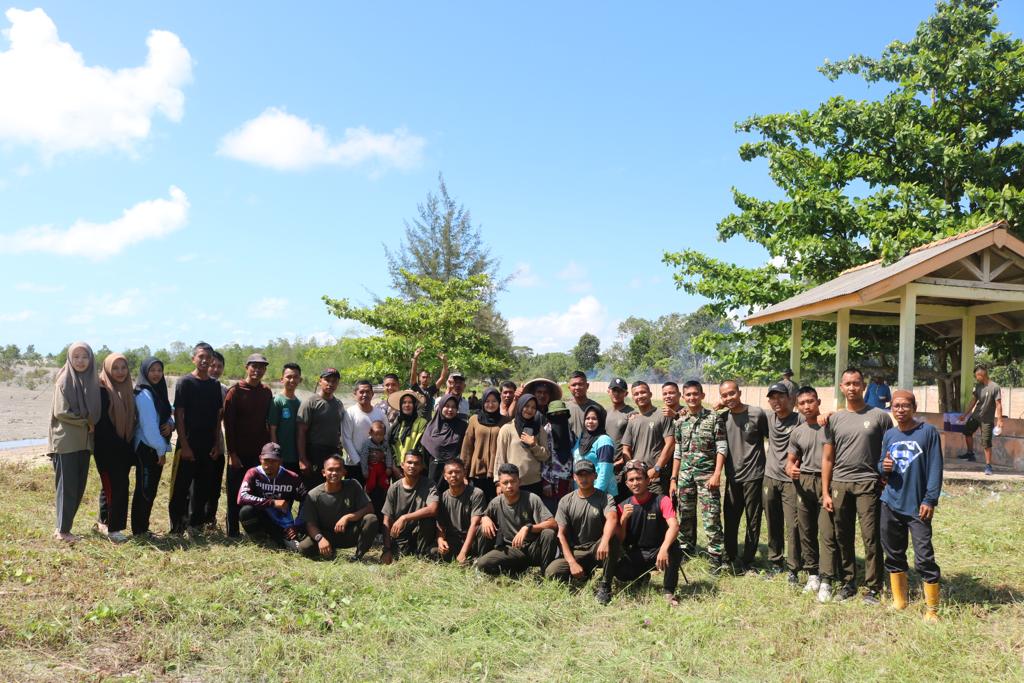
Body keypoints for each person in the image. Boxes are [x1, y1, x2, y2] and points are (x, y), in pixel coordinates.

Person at [822, 367, 893, 604]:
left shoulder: (880, 417)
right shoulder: (835, 419)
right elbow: (828, 458)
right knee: (843, 536)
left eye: (856, 383)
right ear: (841, 388)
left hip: (868, 484)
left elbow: (891, 450)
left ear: (864, 386)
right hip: (840, 484)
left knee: (870, 536)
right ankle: (848, 582)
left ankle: (873, 587)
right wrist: (825, 491)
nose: (852, 387)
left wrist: (885, 477)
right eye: (847, 384)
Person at [880, 390, 943, 621]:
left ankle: (932, 609)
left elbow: (936, 468)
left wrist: (930, 499)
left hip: (918, 506)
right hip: (890, 503)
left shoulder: (927, 433)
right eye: (896, 406)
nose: (900, 410)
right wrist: (883, 467)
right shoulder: (889, 435)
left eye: (905, 405)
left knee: (924, 556)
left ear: (914, 407)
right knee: (894, 553)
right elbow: (880, 465)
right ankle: (900, 600)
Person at [544, 460, 620, 604]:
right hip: (576, 551)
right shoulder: (566, 501)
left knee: (612, 538)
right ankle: (583, 574)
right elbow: (560, 534)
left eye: (588, 475)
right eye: (580, 475)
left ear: (595, 476)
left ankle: (605, 586)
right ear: (574, 477)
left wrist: (604, 541)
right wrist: (572, 562)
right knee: (551, 572)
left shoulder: (605, 497)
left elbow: (612, 518)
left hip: (597, 548)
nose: (584, 479)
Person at [168, 342, 224, 537]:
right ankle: (176, 527)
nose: (204, 360)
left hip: (207, 444)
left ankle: (195, 525)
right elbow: (179, 415)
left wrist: (217, 444)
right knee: (180, 487)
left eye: (208, 357)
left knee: (202, 487)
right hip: (187, 443)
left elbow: (218, 417)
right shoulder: (185, 382)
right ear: (194, 358)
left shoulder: (215, 385)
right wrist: (184, 445)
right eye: (201, 356)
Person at [786, 386, 835, 601]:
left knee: (827, 532)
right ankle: (812, 573)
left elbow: (845, 414)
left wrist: (832, 414)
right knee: (806, 530)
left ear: (819, 402)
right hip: (803, 481)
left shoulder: (830, 425)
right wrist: (791, 469)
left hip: (827, 482)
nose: (807, 406)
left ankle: (827, 579)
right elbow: (790, 461)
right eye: (803, 402)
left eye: (811, 401)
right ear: (797, 406)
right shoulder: (797, 432)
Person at [670, 380, 726, 571]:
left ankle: (716, 555)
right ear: (683, 397)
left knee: (711, 516)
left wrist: (717, 473)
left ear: (702, 395)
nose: (692, 398)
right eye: (688, 395)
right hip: (685, 477)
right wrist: (673, 478)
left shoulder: (714, 418)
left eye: (696, 394)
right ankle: (686, 549)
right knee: (685, 514)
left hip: (707, 476)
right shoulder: (680, 421)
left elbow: (721, 448)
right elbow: (677, 451)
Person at [49, 342, 101, 543]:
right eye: (76, 356)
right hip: (66, 442)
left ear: (91, 359)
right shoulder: (64, 380)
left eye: (85, 357)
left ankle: (66, 527)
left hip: (84, 442)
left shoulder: (90, 381)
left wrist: (89, 425)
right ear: (70, 358)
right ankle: (62, 530)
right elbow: (60, 412)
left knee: (78, 486)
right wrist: (85, 422)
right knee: (67, 486)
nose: (80, 361)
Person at [615, 462, 684, 605]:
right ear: (626, 484)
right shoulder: (622, 506)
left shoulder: (662, 500)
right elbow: (620, 540)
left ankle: (668, 592)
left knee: (674, 548)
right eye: (631, 480)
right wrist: (623, 520)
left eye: (639, 478)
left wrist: (664, 549)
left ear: (648, 480)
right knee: (620, 573)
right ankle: (641, 577)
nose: (635, 483)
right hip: (636, 553)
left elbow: (674, 526)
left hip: (658, 552)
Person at [719, 379, 767, 573]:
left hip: (754, 476)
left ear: (739, 392)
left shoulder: (757, 413)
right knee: (730, 518)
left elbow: (771, 437)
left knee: (752, 520)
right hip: (732, 477)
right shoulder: (722, 418)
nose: (729, 397)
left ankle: (748, 560)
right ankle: (730, 556)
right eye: (724, 395)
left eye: (732, 393)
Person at [223, 353, 273, 537]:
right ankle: (233, 531)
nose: (257, 370)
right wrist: (232, 454)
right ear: (247, 367)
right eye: (254, 366)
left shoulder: (266, 392)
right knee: (235, 492)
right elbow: (228, 425)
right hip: (239, 453)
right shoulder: (235, 392)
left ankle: (256, 529)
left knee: (258, 491)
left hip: (259, 454)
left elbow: (268, 423)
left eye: (261, 367)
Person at [477, 463, 558, 576]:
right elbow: (483, 516)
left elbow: (553, 523)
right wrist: (485, 518)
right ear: (499, 484)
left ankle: (546, 574)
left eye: (513, 481)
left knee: (548, 533)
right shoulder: (496, 502)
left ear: (519, 482)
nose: (509, 486)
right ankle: (483, 572)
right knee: (483, 557)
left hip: (532, 549)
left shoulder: (532, 499)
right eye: (505, 483)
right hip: (511, 550)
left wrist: (528, 528)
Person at [299, 455, 379, 561]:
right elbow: (310, 524)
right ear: (323, 472)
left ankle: (358, 556)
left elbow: (369, 508)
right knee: (304, 548)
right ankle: (328, 551)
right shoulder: (313, 495)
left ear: (344, 472)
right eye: (330, 470)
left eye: (338, 470)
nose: (334, 473)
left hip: (349, 533)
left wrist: (348, 517)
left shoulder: (353, 485)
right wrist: (320, 539)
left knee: (371, 519)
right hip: (326, 534)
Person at [94, 353, 137, 543]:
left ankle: (103, 522)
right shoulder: (102, 390)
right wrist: (121, 445)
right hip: (107, 449)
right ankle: (114, 529)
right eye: (115, 368)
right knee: (117, 488)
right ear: (107, 369)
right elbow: (102, 425)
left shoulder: (127, 390)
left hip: (124, 448)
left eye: (123, 367)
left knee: (110, 488)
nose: (120, 372)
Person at [764, 382, 804, 582]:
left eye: (780, 396)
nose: (776, 401)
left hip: (791, 481)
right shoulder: (768, 419)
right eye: (772, 397)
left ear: (790, 398)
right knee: (773, 522)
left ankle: (794, 567)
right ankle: (775, 562)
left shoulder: (801, 420)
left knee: (793, 525)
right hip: (770, 477)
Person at [131, 356, 174, 537]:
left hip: (153, 447)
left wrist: (171, 423)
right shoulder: (143, 394)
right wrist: (161, 450)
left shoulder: (157, 391)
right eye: (152, 370)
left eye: (159, 370)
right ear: (144, 372)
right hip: (147, 448)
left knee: (150, 488)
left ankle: (143, 527)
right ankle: (139, 530)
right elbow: (149, 427)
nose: (156, 374)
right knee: (145, 489)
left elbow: (166, 412)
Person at [237, 442, 306, 549]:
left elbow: (306, 500)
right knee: (246, 511)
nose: (269, 465)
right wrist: (272, 502)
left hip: (282, 522)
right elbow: (241, 497)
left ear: (281, 461)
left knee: (295, 547)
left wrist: (297, 525)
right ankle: (259, 539)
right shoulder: (253, 473)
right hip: (261, 516)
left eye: (274, 461)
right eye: (266, 460)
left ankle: (281, 539)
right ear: (260, 459)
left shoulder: (292, 478)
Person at [381, 449, 439, 563]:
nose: (412, 466)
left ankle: (422, 553)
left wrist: (404, 517)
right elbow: (386, 520)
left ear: (422, 467)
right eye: (409, 462)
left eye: (416, 463)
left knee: (428, 520)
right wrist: (386, 549)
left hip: (420, 534)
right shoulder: (394, 488)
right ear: (402, 465)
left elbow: (433, 509)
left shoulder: (429, 484)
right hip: (401, 536)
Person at [620, 381, 675, 496]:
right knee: (638, 513)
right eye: (636, 394)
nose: (640, 396)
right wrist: (632, 469)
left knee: (657, 512)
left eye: (643, 392)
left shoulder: (662, 415)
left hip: (656, 478)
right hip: (637, 479)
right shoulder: (632, 420)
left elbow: (670, 444)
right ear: (633, 397)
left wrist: (657, 468)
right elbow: (626, 449)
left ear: (650, 394)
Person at [494, 394, 550, 497]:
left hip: (534, 483)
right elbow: (500, 457)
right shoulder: (507, 429)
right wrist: (498, 482)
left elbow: (545, 456)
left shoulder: (540, 429)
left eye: (533, 407)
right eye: (527, 406)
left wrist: (534, 445)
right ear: (520, 406)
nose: (529, 410)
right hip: (512, 483)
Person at [296, 368, 345, 489]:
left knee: (331, 487)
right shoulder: (310, 402)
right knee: (313, 488)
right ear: (320, 381)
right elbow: (301, 432)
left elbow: (339, 429)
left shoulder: (338, 404)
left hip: (333, 451)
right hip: (314, 452)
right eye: (327, 380)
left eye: (334, 381)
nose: (330, 384)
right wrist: (302, 459)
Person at [435, 458, 486, 564]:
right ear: (445, 476)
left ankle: (478, 560)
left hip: (471, 539)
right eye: (450, 472)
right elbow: (441, 525)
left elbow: (475, 524)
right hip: (454, 539)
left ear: (464, 473)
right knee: (432, 552)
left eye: (457, 472)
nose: (453, 475)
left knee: (482, 529)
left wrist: (463, 552)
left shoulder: (476, 493)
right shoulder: (443, 497)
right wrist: (441, 540)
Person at [460, 387, 508, 501]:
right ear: (483, 402)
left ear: (499, 402)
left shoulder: (506, 421)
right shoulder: (474, 420)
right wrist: (463, 473)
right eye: (487, 401)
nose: (490, 405)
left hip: (497, 473)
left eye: (494, 401)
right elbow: (467, 447)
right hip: (477, 472)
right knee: (476, 506)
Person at [958, 365, 1004, 476]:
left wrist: (1000, 420)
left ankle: (988, 466)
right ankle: (970, 453)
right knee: (967, 432)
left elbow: (998, 405)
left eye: (976, 376)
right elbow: (973, 401)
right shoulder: (978, 386)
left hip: (987, 420)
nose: (976, 378)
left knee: (986, 443)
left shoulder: (995, 387)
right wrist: (965, 414)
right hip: (975, 416)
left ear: (981, 375)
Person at [343, 379, 389, 485]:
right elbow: (346, 439)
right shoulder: (350, 413)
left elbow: (386, 437)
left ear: (372, 394)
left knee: (375, 497)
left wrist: (381, 455)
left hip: (376, 464)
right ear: (355, 394)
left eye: (368, 392)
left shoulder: (380, 414)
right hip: (354, 465)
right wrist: (360, 462)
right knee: (355, 498)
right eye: (361, 392)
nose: (365, 394)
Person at [420, 393, 468, 490]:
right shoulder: (431, 427)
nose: (450, 410)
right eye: (447, 406)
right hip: (434, 475)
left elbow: (465, 450)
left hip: (454, 475)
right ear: (441, 407)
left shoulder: (462, 427)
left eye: (454, 407)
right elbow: (425, 455)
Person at [573, 404, 617, 497]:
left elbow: (605, 471)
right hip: (583, 491)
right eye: (587, 418)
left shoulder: (604, 440)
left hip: (600, 493)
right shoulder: (582, 438)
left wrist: (595, 494)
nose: (590, 421)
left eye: (594, 419)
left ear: (600, 421)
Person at [268, 363, 303, 474]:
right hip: (282, 456)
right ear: (282, 379)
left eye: (295, 377)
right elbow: (272, 430)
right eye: (289, 377)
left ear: (300, 380)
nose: (292, 380)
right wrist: (276, 455)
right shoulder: (277, 401)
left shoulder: (300, 403)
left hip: (296, 456)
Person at [540, 399, 575, 510]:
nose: (559, 416)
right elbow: (543, 459)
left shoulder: (569, 430)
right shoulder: (545, 432)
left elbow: (571, 456)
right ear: (550, 416)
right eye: (555, 414)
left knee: (565, 512)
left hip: (566, 480)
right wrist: (546, 482)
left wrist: (570, 479)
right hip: (551, 482)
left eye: (561, 414)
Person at [604, 377, 635, 498]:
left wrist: (621, 462)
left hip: (621, 468)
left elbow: (633, 443)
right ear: (608, 391)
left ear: (626, 393)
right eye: (614, 390)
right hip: (605, 466)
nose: (616, 394)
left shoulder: (631, 414)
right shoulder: (605, 412)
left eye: (620, 391)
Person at [388, 389, 427, 469]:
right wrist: (394, 467)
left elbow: (422, 447)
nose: (407, 405)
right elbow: (390, 444)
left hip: (414, 467)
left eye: (410, 402)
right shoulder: (397, 423)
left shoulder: (421, 422)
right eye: (404, 402)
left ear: (415, 405)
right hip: (397, 466)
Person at [360, 420, 394, 512]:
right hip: (372, 468)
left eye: (381, 434)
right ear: (370, 433)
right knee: (371, 483)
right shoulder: (367, 444)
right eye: (376, 434)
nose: (379, 437)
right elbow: (364, 457)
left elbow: (389, 455)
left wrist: (389, 467)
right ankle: (366, 492)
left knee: (385, 483)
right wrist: (365, 471)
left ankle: (387, 497)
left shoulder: (385, 443)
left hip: (382, 468)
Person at [409, 347, 448, 418]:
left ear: (430, 379)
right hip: (415, 422)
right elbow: (413, 373)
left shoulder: (431, 390)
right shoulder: (415, 388)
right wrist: (415, 358)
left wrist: (445, 363)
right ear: (419, 378)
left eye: (427, 377)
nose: (425, 379)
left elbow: (442, 378)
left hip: (428, 423)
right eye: (423, 377)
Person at [566, 371, 600, 435]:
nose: (577, 387)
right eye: (574, 385)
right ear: (569, 388)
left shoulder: (597, 408)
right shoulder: (564, 409)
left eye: (580, 384)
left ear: (587, 386)